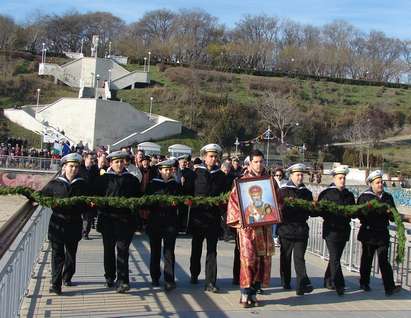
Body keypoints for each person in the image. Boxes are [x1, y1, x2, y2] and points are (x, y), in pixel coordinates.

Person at [227, 150, 281, 307]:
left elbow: (278, 202)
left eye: (261, 161)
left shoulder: (270, 182)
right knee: (248, 259)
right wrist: (240, 221)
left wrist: (273, 213)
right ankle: (244, 293)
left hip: (264, 230)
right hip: (248, 230)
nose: (259, 164)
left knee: (262, 261)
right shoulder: (242, 182)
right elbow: (233, 203)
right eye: (255, 161)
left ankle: (254, 293)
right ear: (250, 163)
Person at [95, 151, 141, 293]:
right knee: (108, 250)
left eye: (121, 162)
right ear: (110, 163)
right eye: (116, 162)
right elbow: (96, 196)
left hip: (125, 221)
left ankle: (123, 281)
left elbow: (138, 198)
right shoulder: (103, 179)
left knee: (123, 250)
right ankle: (109, 276)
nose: (119, 164)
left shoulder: (131, 180)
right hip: (108, 219)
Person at [42, 153, 88, 295]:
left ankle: (67, 276)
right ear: (64, 167)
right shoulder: (54, 184)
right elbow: (41, 196)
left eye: (76, 167)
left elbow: (89, 203)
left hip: (74, 223)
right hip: (57, 223)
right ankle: (56, 285)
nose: (73, 169)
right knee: (57, 254)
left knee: (71, 253)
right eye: (70, 166)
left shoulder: (82, 185)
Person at [357, 170, 401, 296]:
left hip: (382, 234)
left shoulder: (388, 197)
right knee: (367, 259)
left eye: (381, 182)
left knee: (383, 260)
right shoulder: (365, 197)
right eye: (377, 183)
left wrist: (391, 214)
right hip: (369, 233)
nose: (380, 184)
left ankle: (389, 287)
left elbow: (394, 215)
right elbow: (360, 215)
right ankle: (364, 282)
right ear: (371, 184)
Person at [189, 144, 227, 293]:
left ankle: (210, 281)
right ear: (204, 157)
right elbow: (189, 192)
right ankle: (194, 273)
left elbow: (225, 195)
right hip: (198, 217)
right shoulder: (196, 173)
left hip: (213, 218)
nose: (213, 159)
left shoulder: (221, 176)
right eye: (210, 156)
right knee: (196, 247)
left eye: (215, 156)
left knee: (212, 250)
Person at [318, 166, 355, 296]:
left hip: (344, 230)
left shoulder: (349, 195)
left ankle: (328, 279)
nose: (342, 180)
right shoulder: (327, 194)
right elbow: (321, 211)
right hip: (331, 230)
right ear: (334, 178)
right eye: (340, 178)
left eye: (344, 178)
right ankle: (339, 284)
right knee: (335, 258)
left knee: (336, 258)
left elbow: (353, 212)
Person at [277, 163, 314, 295]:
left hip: (301, 230)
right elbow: (278, 209)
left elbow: (311, 212)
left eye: (301, 175)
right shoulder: (283, 191)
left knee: (299, 258)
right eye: (297, 174)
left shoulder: (307, 193)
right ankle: (286, 281)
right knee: (285, 257)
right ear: (291, 175)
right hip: (286, 229)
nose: (300, 177)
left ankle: (301, 285)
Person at [146, 159, 182, 291]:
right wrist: (155, 202)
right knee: (155, 251)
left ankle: (169, 279)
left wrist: (176, 203)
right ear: (160, 171)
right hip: (155, 221)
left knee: (169, 251)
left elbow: (181, 201)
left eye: (170, 170)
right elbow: (146, 202)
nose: (168, 172)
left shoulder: (176, 185)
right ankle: (155, 277)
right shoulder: (153, 184)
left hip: (170, 222)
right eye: (165, 170)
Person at [79, 152, 99, 239]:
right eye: (90, 159)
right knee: (80, 216)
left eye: (93, 159)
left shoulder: (95, 170)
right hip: (80, 196)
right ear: (85, 158)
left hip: (91, 196)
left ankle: (85, 233)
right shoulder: (79, 169)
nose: (92, 161)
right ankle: (79, 231)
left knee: (89, 216)